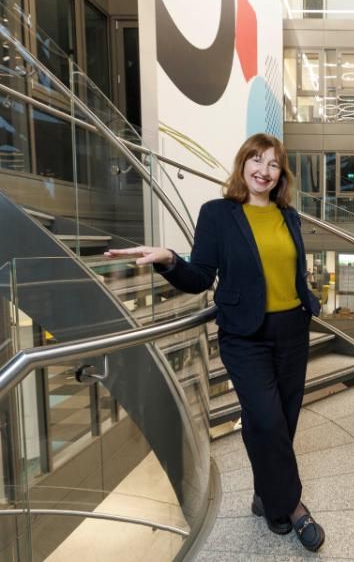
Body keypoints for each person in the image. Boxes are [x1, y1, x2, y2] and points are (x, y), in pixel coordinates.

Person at [104, 134, 325, 552]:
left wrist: (307, 302)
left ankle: (265, 495)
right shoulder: (218, 214)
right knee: (268, 421)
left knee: (283, 422)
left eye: (273, 164)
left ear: (281, 174)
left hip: (293, 332)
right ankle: (291, 507)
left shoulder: (288, 216)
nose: (263, 170)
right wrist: (170, 259)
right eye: (256, 160)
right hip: (246, 337)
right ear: (242, 166)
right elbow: (201, 277)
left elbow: (291, 272)